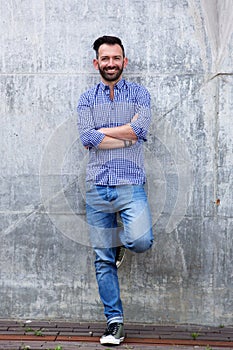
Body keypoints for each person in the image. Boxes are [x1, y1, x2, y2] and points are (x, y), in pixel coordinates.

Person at [77, 35, 154, 346]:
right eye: (105, 59)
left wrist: (102, 133)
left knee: (141, 241)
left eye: (116, 58)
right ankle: (114, 322)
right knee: (102, 258)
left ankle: (123, 241)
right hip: (97, 187)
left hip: (130, 184)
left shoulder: (139, 94)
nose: (111, 63)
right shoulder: (85, 99)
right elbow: (86, 138)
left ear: (125, 61)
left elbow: (140, 131)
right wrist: (124, 135)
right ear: (97, 62)